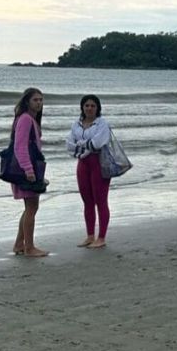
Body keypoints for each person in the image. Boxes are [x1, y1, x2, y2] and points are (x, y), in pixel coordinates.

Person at [66, 95, 113, 249]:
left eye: (93, 105)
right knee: (87, 201)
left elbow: (98, 143)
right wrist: (84, 146)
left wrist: (81, 145)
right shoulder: (76, 124)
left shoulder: (102, 124)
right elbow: (69, 145)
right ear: (82, 107)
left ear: (98, 108)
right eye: (87, 105)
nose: (89, 108)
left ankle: (101, 237)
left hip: (99, 164)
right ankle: (90, 235)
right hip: (82, 164)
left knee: (101, 201)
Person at [10, 87, 49, 257]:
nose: (39, 103)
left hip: (30, 168)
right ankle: (29, 247)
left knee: (30, 207)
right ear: (27, 101)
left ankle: (20, 244)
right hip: (26, 170)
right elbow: (20, 146)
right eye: (35, 100)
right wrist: (28, 169)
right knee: (32, 207)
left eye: (41, 100)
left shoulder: (30, 119)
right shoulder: (25, 119)